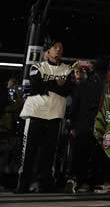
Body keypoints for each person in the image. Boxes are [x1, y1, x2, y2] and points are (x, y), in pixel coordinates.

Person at [17, 39, 75, 193]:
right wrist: (56, 84)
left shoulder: (67, 69)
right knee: (29, 151)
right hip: (35, 113)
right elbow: (35, 87)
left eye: (61, 47)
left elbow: (67, 90)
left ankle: (45, 184)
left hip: (55, 115)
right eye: (55, 47)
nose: (58, 50)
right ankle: (22, 185)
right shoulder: (37, 66)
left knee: (49, 153)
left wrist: (48, 86)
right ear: (47, 52)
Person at [64, 60, 102, 193]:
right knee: (85, 155)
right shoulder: (95, 84)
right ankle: (82, 182)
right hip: (90, 123)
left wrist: (72, 124)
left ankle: (77, 180)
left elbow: (74, 107)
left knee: (80, 154)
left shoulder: (83, 86)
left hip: (82, 124)